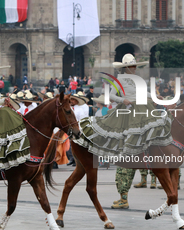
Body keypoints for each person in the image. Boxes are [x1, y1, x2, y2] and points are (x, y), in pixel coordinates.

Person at [73, 54, 172, 209]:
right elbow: (111, 95)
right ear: (126, 67)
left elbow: (143, 93)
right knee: (122, 133)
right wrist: (122, 100)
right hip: (128, 109)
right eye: (132, 66)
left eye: (135, 66)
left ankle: (150, 155)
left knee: (153, 129)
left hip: (142, 106)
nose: (134, 68)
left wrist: (155, 96)